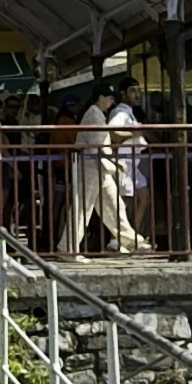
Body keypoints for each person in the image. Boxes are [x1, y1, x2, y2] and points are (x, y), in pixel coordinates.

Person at [61, 78, 142, 255]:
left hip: (100, 168)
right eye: (110, 98)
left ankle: (132, 242)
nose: (112, 102)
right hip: (90, 168)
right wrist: (116, 162)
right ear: (101, 98)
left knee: (115, 206)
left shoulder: (98, 114)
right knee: (83, 209)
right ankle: (68, 249)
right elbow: (98, 146)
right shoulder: (93, 115)